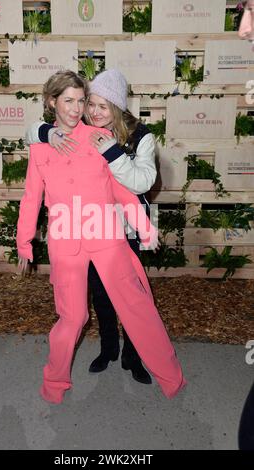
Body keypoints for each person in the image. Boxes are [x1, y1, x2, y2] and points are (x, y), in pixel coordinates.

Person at [17, 70, 186, 404]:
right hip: (65, 243)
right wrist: (24, 242)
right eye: (69, 100)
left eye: (81, 101)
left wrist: (144, 226)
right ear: (52, 102)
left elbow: (121, 191)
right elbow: (31, 197)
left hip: (107, 236)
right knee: (74, 316)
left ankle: (171, 377)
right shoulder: (39, 148)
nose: (77, 108)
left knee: (137, 306)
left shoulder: (99, 138)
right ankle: (54, 383)